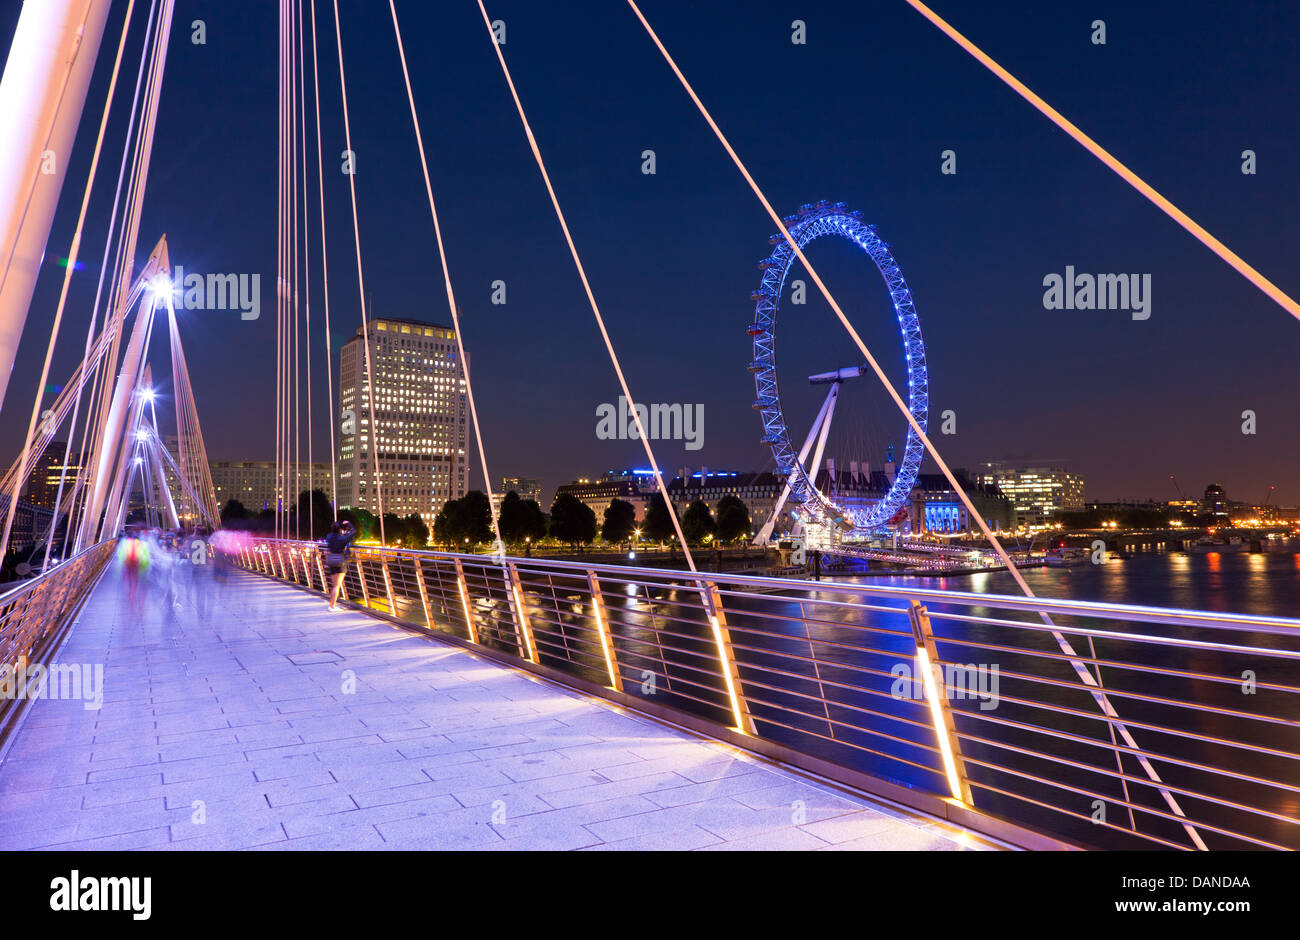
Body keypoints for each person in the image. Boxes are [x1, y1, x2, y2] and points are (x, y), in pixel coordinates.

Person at [319, 520, 357, 611]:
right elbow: (353, 531)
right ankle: (332, 606)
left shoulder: (329, 536)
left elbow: (335, 537)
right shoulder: (342, 538)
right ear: (340, 529)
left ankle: (332, 605)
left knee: (334, 585)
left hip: (331, 559)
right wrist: (348, 524)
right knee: (337, 585)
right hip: (340, 560)